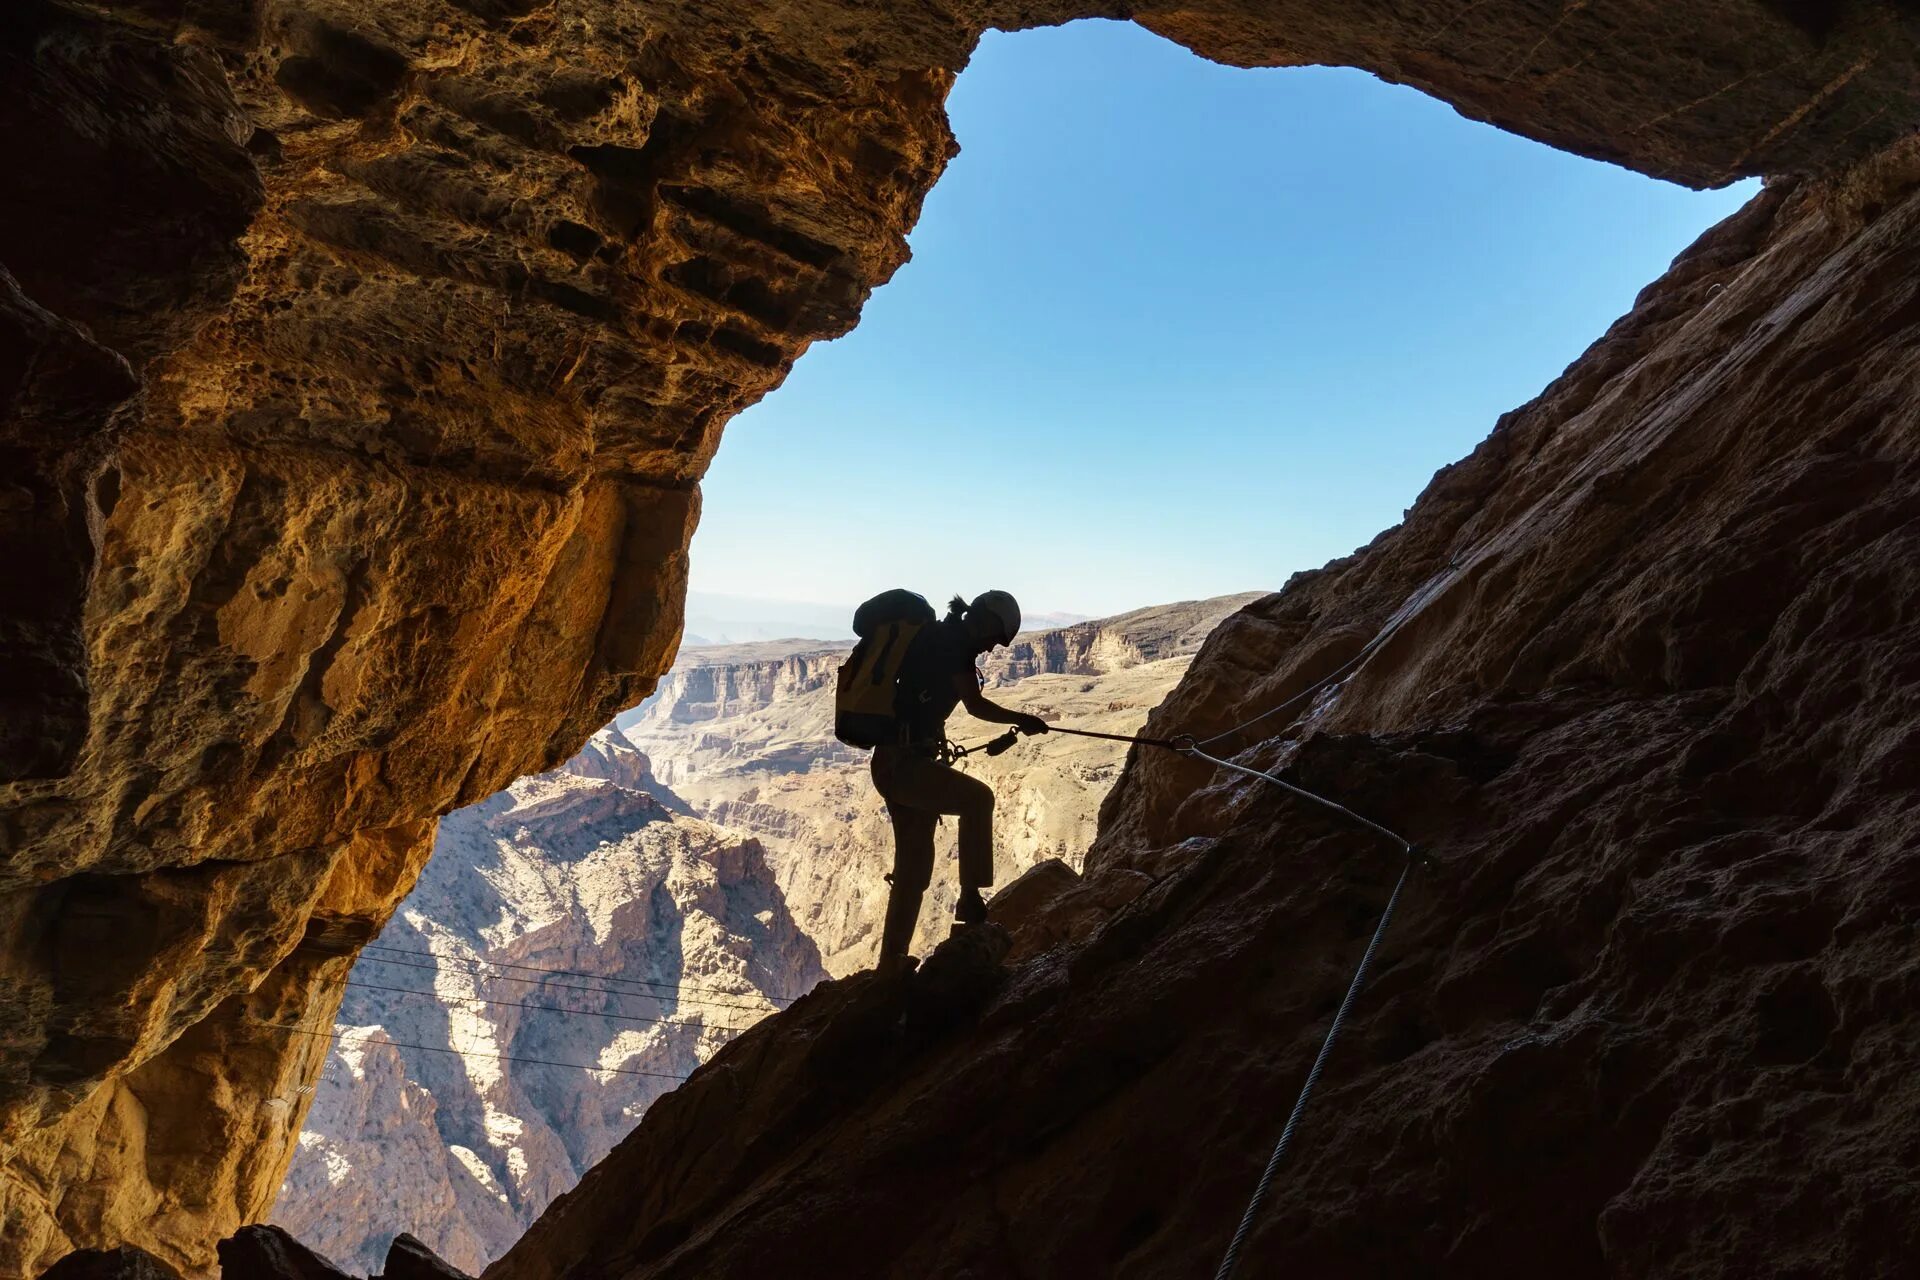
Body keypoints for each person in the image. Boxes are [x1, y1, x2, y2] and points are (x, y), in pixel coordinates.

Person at [872, 589, 1047, 975]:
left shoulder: (940, 635)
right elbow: (976, 705)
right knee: (978, 800)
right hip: (906, 766)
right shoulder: (955, 645)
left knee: (914, 869)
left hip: (896, 762)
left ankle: (890, 965)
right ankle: (970, 898)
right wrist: (1024, 718)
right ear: (984, 621)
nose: (989, 648)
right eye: (992, 638)